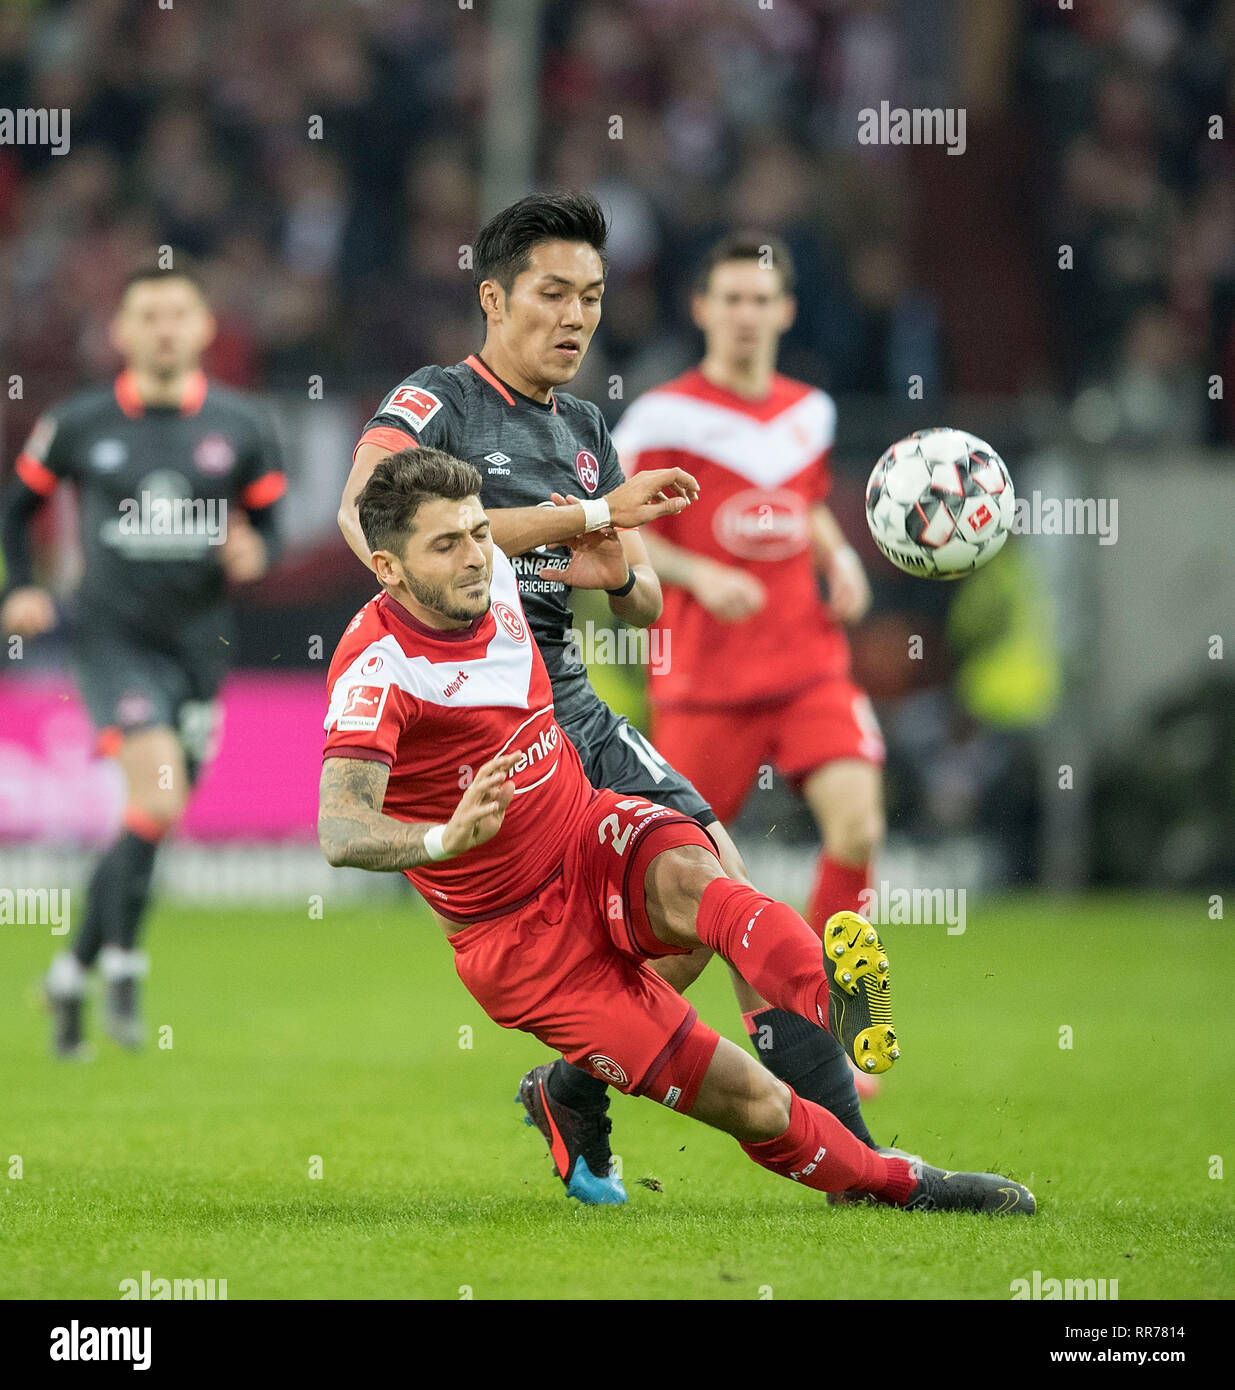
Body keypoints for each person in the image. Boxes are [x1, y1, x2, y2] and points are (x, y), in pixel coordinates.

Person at [337, 191, 887, 1204]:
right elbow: (357, 520)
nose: (575, 317)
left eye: (590, 296)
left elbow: (632, 598)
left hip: (575, 708)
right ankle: (836, 1155)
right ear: (492, 300)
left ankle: (580, 1090)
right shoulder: (434, 403)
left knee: (710, 902)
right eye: (552, 294)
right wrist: (577, 518)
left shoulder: (589, 425)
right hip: (489, 728)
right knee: (688, 905)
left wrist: (615, 561)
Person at [317, 447, 1036, 1217]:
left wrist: (611, 540)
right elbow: (340, 827)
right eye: (446, 544)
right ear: (388, 569)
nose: (475, 557)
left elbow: (594, 569)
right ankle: (886, 1182)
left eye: (477, 533)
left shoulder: (489, 565)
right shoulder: (377, 670)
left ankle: (838, 1004)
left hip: (586, 833)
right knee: (750, 1101)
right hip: (520, 942)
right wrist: (441, 840)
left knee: (706, 882)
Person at [0, 265, 285, 1058]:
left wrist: (253, 546)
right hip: (109, 641)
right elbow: (17, 506)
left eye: (177, 313)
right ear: (120, 333)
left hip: (199, 648)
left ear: (202, 330)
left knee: (153, 816)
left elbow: (272, 523)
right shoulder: (80, 422)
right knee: (156, 793)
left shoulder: (243, 423)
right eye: (146, 315)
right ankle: (125, 964)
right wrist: (20, 586)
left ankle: (70, 971)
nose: (162, 327)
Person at [611, 233, 886, 975]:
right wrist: (698, 575)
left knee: (857, 826)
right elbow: (619, 532)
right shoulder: (658, 419)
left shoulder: (811, 412)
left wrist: (838, 557)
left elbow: (802, 503)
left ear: (786, 311)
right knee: (685, 916)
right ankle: (588, 1069)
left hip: (807, 663)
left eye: (760, 300)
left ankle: (838, 1010)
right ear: (700, 308)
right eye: (730, 299)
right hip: (705, 683)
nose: (745, 314)